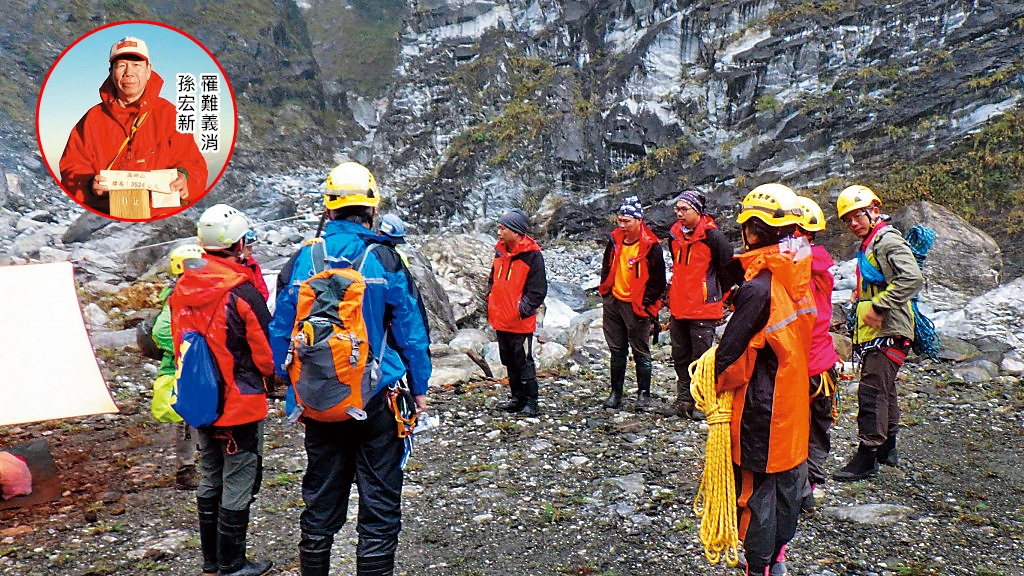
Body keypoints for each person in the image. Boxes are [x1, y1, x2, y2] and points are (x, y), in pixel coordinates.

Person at [269, 162, 431, 576]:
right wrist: (421, 387)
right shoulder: (385, 260)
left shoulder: (301, 259)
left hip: (318, 400)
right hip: (377, 398)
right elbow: (412, 331)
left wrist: (292, 382)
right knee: (379, 507)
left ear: (328, 209)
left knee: (320, 503)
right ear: (372, 211)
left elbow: (279, 334)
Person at [714, 183, 816, 576]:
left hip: (761, 408)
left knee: (756, 493)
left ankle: (758, 568)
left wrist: (711, 380)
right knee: (788, 485)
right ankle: (777, 558)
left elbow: (730, 360)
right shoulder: (797, 276)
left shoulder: (760, 289)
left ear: (752, 232)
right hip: (791, 402)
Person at [170, 204, 275, 576]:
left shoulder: (183, 284)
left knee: (211, 473)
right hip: (239, 402)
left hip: (199, 399)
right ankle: (232, 563)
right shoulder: (242, 291)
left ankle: (211, 562)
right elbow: (267, 353)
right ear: (238, 242)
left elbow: (177, 337)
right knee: (239, 476)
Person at [59, 36, 208, 216]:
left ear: (149, 70)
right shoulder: (92, 119)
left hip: (161, 215)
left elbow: (193, 165)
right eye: (121, 66)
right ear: (111, 72)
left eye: (136, 65)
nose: (128, 72)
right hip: (110, 216)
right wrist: (90, 185)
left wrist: (185, 178)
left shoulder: (168, 114)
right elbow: (72, 168)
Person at [833, 185, 923, 481]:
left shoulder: (887, 242)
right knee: (885, 389)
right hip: (877, 332)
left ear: (873, 210)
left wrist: (881, 306)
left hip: (889, 330)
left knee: (870, 392)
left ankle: (867, 455)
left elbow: (911, 278)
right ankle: (887, 449)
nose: (853, 223)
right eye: (847, 220)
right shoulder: (871, 244)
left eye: (857, 215)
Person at [662, 189, 735, 419]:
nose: (679, 214)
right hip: (679, 307)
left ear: (698, 211)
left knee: (701, 358)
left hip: (703, 307)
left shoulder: (712, 236)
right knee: (680, 355)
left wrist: (716, 296)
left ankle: (702, 403)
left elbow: (729, 269)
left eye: (685, 209)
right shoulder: (674, 235)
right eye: (677, 209)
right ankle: (684, 400)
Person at [794, 196, 841, 509]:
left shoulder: (792, 270)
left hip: (800, 365)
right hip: (823, 362)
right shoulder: (821, 267)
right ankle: (809, 485)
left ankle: (800, 490)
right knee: (817, 428)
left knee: (795, 431)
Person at [597, 195, 665, 409]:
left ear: (638, 221)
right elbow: (606, 266)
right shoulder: (615, 240)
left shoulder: (651, 246)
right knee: (617, 349)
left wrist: (645, 303)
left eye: (627, 221)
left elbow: (658, 280)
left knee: (641, 349)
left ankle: (643, 394)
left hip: (636, 306)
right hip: (614, 301)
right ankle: (616, 393)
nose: (622, 225)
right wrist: (606, 293)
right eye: (620, 220)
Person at [152, 244, 205, 490]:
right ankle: (186, 468)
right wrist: (191, 349)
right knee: (186, 420)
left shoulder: (194, 292)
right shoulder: (175, 298)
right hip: (182, 368)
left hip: (195, 366)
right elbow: (161, 332)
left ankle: (201, 463)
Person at [486, 208, 548, 416]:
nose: (499, 232)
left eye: (503, 228)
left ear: (516, 231)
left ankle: (532, 402)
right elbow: (492, 279)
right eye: (499, 228)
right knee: (509, 360)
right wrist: (491, 298)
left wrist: (521, 310)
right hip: (501, 318)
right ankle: (517, 398)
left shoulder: (532, 255)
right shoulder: (500, 251)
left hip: (520, 321)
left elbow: (538, 290)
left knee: (524, 361)